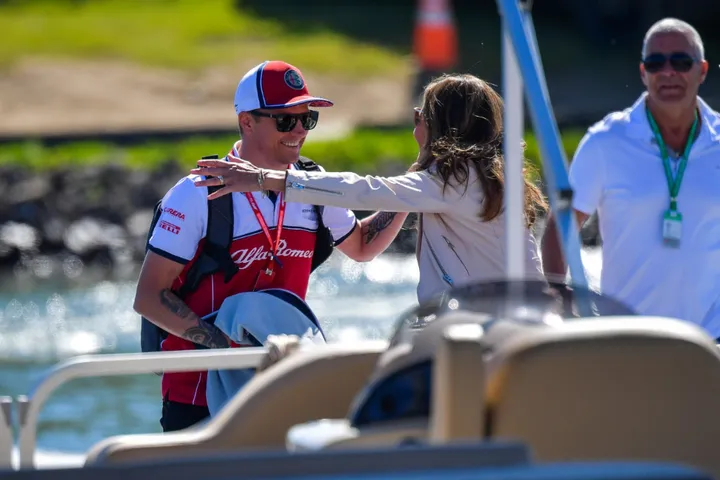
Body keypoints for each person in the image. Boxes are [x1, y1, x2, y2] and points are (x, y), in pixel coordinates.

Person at [133, 60, 407, 433]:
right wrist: (229, 350)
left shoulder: (312, 184)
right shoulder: (196, 193)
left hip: (278, 387)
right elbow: (149, 297)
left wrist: (411, 191)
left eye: (307, 119)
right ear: (247, 122)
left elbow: (361, 246)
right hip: (197, 395)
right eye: (285, 120)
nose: (300, 130)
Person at [190, 73, 548, 306]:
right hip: (519, 317)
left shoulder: (453, 180)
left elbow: (367, 189)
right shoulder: (492, 176)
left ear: (438, 126)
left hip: (484, 329)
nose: (415, 125)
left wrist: (261, 179)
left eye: (419, 117)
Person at [541, 18, 720, 339]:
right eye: (656, 63)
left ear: (702, 70)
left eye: (681, 61)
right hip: (628, 336)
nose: (668, 72)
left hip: (711, 338)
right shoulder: (605, 142)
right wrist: (559, 296)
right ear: (643, 72)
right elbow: (561, 225)